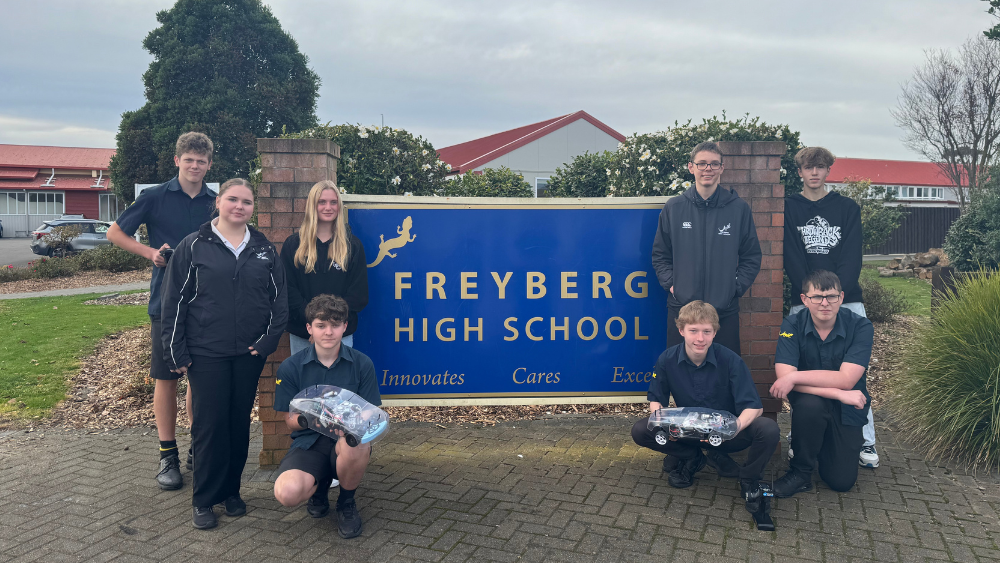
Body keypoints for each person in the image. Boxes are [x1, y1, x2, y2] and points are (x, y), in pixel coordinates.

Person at [160, 178, 287, 529]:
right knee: (209, 426)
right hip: (206, 353)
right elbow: (174, 303)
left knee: (237, 424)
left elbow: (279, 302)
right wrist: (177, 353)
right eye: (233, 199)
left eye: (247, 202)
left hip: (248, 353)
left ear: (252, 209)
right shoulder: (194, 246)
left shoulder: (263, 249)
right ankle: (204, 498)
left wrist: (266, 343)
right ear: (219, 202)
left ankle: (232, 492)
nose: (240, 206)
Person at [106, 131, 217, 490]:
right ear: (177, 161)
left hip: (206, 305)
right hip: (166, 303)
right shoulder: (153, 197)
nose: (195, 166)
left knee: (199, 381)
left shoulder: (216, 203)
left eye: (201, 161)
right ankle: (167, 455)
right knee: (167, 379)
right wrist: (151, 254)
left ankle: (197, 450)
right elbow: (115, 233)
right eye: (189, 160)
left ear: (209, 165)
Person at [631, 301, 779, 512]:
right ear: (681, 330)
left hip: (726, 434)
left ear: (714, 333)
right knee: (640, 430)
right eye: (693, 331)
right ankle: (693, 458)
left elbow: (755, 408)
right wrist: (662, 423)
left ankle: (749, 479)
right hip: (686, 432)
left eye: (706, 331)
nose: (700, 338)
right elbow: (656, 399)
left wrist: (734, 428)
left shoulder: (731, 360)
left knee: (768, 429)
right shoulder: (667, 359)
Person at [784, 146, 878, 468]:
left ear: (828, 171)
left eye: (820, 167)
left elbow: (852, 255)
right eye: (809, 168)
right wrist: (811, 295)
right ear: (800, 172)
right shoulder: (789, 208)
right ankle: (801, 439)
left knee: (855, 374)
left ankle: (865, 441)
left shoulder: (847, 208)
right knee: (804, 369)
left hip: (846, 297)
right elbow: (792, 257)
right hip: (806, 298)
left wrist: (836, 294)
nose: (814, 173)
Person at [272, 294, 380, 539]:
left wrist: (351, 424)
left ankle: (346, 502)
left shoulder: (362, 364)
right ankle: (319, 491)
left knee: (358, 442)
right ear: (310, 328)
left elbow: (370, 414)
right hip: (309, 441)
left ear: (345, 327)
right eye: (321, 325)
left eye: (335, 325)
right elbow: (287, 420)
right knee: (286, 493)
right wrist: (308, 419)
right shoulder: (290, 367)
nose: (328, 332)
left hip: (346, 440)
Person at [652, 141, 762, 355]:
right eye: (701, 164)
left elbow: (751, 255)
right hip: (682, 310)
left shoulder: (738, 209)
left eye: (713, 164)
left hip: (724, 310)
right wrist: (673, 285)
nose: (707, 169)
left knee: (724, 374)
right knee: (680, 372)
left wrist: (735, 288)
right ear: (691, 167)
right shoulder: (674, 208)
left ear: (722, 167)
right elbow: (660, 254)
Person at [769, 270, 872, 498]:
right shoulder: (791, 325)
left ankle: (822, 446)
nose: (824, 303)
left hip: (848, 410)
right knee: (809, 405)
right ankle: (800, 472)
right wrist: (840, 394)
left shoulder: (861, 327)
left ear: (842, 297)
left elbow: (847, 379)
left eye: (831, 296)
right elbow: (783, 375)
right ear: (805, 299)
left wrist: (795, 377)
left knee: (841, 481)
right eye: (817, 297)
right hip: (817, 403)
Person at [281, 180, 368, 355]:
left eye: (333, 202)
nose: (328, 207)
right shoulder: (294, 245)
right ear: (313, 205)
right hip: (303, 334)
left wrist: (328, 327)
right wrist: (315, 326)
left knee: (339, 383)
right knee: (305, 383)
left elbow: (358, 295)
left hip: (339, 335)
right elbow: (287, 290)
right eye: (322, 202)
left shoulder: (352, 246)